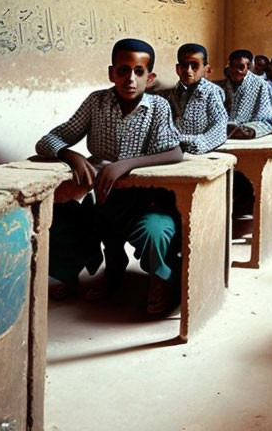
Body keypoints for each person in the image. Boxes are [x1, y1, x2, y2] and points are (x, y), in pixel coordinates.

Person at [36, 38, 183, 313]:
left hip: (146, 201)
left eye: (138, 72)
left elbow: (174, 152)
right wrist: (72, 155)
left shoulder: (158, 108)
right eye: (123, 70)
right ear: (111, 73)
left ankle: (161, 279)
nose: (130, 78)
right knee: (58, 217)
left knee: (157, 232)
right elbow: (48, 140)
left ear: (149, 78)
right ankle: (104, 271)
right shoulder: (97, 102)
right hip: (103, 200)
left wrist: (124, 164)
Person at [162, 43, 228, 154]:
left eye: (194, 66)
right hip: (175, 149)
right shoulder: (173, 93)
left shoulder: (211, 92)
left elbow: (219, 126)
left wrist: (196, 143)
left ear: (206, 70)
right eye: (184, 65)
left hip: (203, 151)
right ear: (178, 69)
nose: (188, 71)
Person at [219, 49, 272, 138]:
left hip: (246, 132)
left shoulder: (259, 84)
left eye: (240, 67)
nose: (236, 70)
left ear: (248, 67)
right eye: (232, 66)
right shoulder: (220, 86)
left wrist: (251, 130)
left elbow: (267, 120)